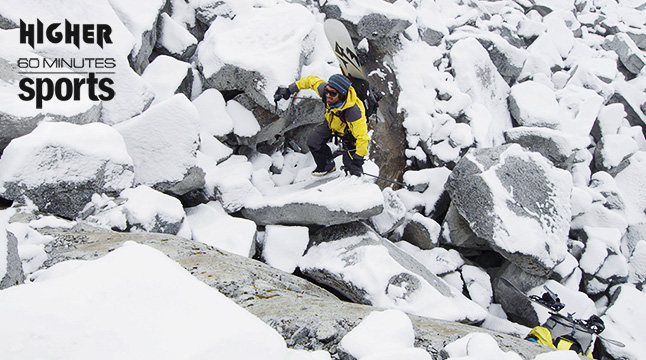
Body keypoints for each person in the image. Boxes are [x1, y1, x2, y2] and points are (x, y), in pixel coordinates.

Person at [274, 74, 369, 176]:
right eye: (327, 91)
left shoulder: (353, 112)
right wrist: (290, 89)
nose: (328, 95)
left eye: (333, 93)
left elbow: (362, 137)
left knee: (351, 167)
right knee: (314, 140)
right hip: (332, 122)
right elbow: (311, 81)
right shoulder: (325, 93)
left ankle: (352, 181)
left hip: (349, 133)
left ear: (342, 95)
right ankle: (326, 166)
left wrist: (358, 161)